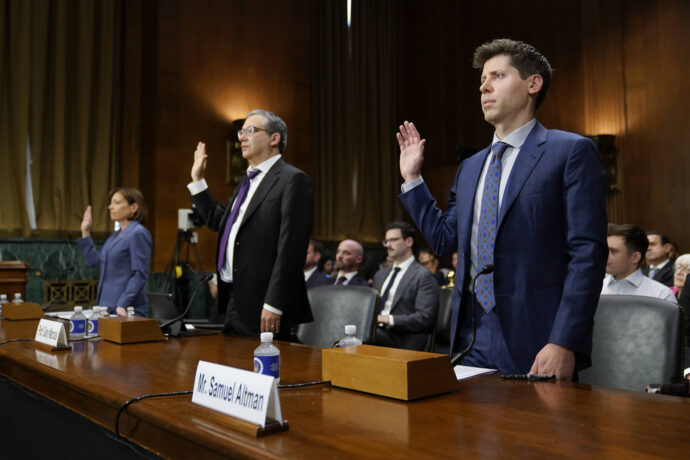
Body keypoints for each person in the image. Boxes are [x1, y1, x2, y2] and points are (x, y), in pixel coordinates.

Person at [397, 38, 607, 381]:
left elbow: (587, 254)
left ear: (533, 84)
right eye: (482, 80)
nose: (484, 87)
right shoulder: (470, 167)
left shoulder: (570, 151)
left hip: (539, 339)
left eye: (497, 76)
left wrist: (563, 341)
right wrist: (413, 179)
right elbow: (444, 240)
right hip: (470, 336)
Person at [188, 109, 313, 338]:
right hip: (233, 297)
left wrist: (274, 303)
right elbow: (217, 220)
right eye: (241, 132)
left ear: (274, 138)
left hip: (265, 302)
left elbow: (291, 249)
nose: (242, 137)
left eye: (251, 130)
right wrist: (198, 180)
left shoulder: (292, 179)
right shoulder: (247, 182)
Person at [78, 187, 152, 317]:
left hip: (125, 309)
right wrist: (85, 232)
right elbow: (94, 260)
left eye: (117, 202)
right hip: (106, 307)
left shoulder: (138, 233)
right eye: (110, 203)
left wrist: (123, 304)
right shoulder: (115, 236)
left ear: (134, 207)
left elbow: (140, 273)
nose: (110, 207)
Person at [373, 221, 439, 351]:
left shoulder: (423, 276)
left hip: (403, 339)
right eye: (386, 241)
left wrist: (387, 319)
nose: (388, 245)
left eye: (393, 240)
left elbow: (424, 317)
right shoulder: (380, 274)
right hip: (376, 334)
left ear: (409, 242)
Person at [601, 224, 677, 303]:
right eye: (604, 250)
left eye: (613, 251)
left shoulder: (661, 295)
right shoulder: (596, 288)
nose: (605, 255)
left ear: (635, 258)